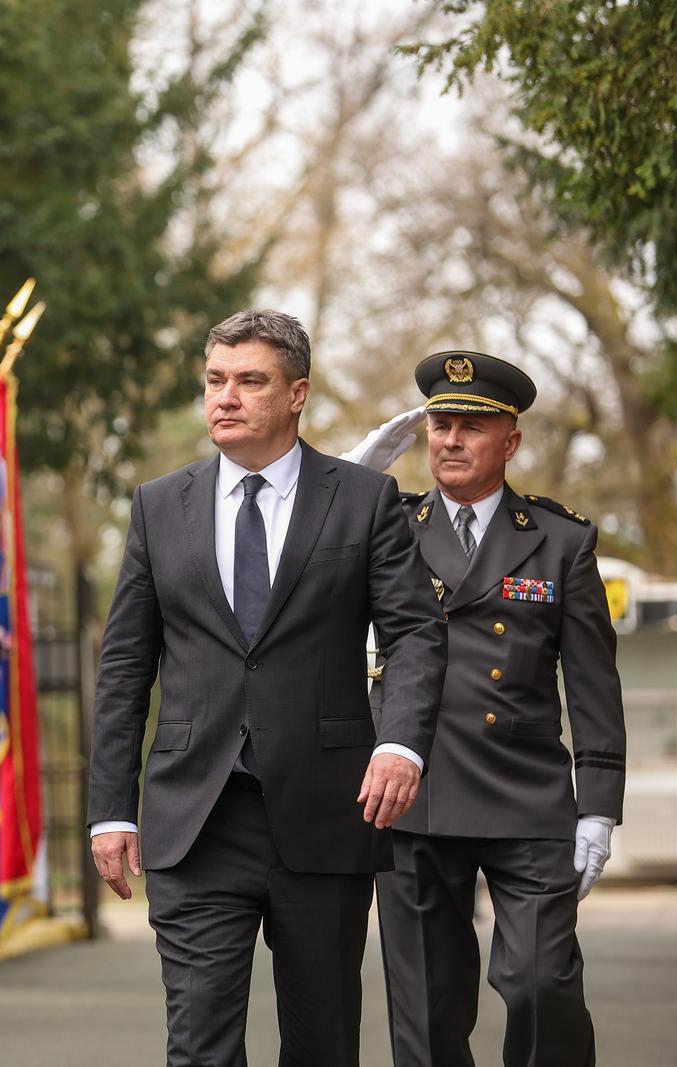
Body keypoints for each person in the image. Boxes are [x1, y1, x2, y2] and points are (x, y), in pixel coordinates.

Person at [87, 308, 447, 1065]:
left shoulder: (362, 499)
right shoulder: (160, 506)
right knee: (199, 1048)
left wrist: (402, 744)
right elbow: (125, 664)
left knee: (321, 1047)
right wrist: (111, 808)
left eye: (250, 380)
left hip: (325, 816)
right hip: (196, 820)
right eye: (215, 379)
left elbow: (416, 632)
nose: (225, 396)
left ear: (297, 394)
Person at [356, 350, 626, 1067]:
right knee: (427, 1015)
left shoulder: (561, 541)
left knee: (542, 984)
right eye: (440, 423)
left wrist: (598, 804)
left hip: (526, 798)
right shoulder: (388, 530)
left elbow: (594, 682)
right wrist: (351, 477)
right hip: (417, 795)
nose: (450, 438)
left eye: (471, 427)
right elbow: (297, 578)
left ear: (511, 440)